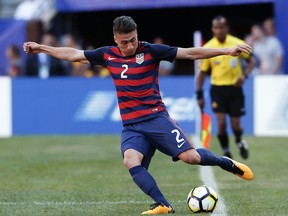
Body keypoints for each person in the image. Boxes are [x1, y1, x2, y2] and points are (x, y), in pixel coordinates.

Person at [23, 15, 254, 214]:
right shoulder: (107, 55)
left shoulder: (150, 51)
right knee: (130, 160)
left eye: (133, 39)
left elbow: (190, 53)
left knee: (190, 158)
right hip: (132, 126)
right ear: (115, 39)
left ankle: (226, 163)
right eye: (125, 42)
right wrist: (41, 48)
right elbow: (72, 55)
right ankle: (162, 204)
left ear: (137, 35)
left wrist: (225, 50)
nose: (130, 45)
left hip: (156, 119)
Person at [196, 15, 254, 160]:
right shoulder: (208, 48)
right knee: (221, 123)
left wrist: (244, 76)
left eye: (222, 27)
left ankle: (239, 141)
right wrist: (199, 94)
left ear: (227, 28)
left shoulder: (238, 44)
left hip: (235, 89)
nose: (219, 30)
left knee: (236, 126)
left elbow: (252, 61)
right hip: (217, 90)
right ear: (213, 29)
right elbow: (202, 73)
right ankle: (226, 151)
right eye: (216, 28)